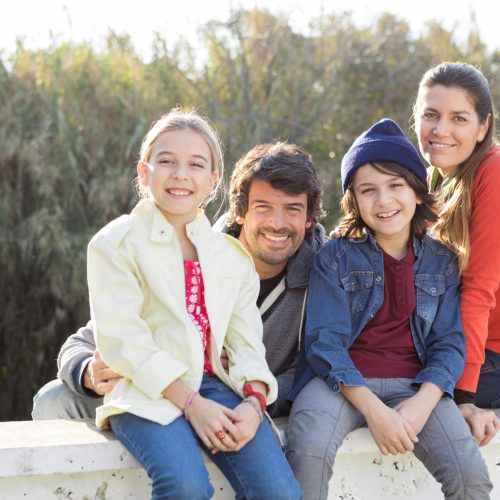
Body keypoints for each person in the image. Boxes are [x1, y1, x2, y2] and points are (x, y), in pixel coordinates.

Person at [83, 108, 301, 499]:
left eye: (196, 164)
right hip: (145, 393)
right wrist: (191, 403)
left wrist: (253, 404)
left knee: (280, 493)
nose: (181, 174)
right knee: (185, 486)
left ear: (212, 180)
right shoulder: (115, 243)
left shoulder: (230, 256)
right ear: (144, 172)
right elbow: (123, 341)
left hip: (218, 389)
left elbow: (247, 342)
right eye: (167, 161)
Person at [32, 142, 324, 420]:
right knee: (53, 400)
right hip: (156, 395)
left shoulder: (324, 274)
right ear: (240, 211)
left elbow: (309, 369)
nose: (278, 223)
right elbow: (86, 340)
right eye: (263, 207)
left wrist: (248, 390)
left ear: (309, 217)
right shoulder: (185, 249)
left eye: (293, 209)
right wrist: (88, 372)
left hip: (238, 404)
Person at [287, 118, 492, 499]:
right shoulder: (335, 256)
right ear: (354, 200)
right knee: (307, 451)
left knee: (470, 477)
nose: (383, 201)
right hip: (340, 385)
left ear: (417, 191)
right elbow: (323, 342)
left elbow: (449, 344)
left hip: (416, 385)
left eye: (395, 185)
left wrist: (421, 404)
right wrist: (375, 412)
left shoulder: (441, 260)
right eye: (368, 190)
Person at [414, 61, 500, 446]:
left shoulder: (493, 172)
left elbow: (478, 290)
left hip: (491, 355)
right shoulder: (438, 176)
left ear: (483, 126)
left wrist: (463, 396)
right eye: (431, 115)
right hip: (457, 344)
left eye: (459, 118)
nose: (440, 130)